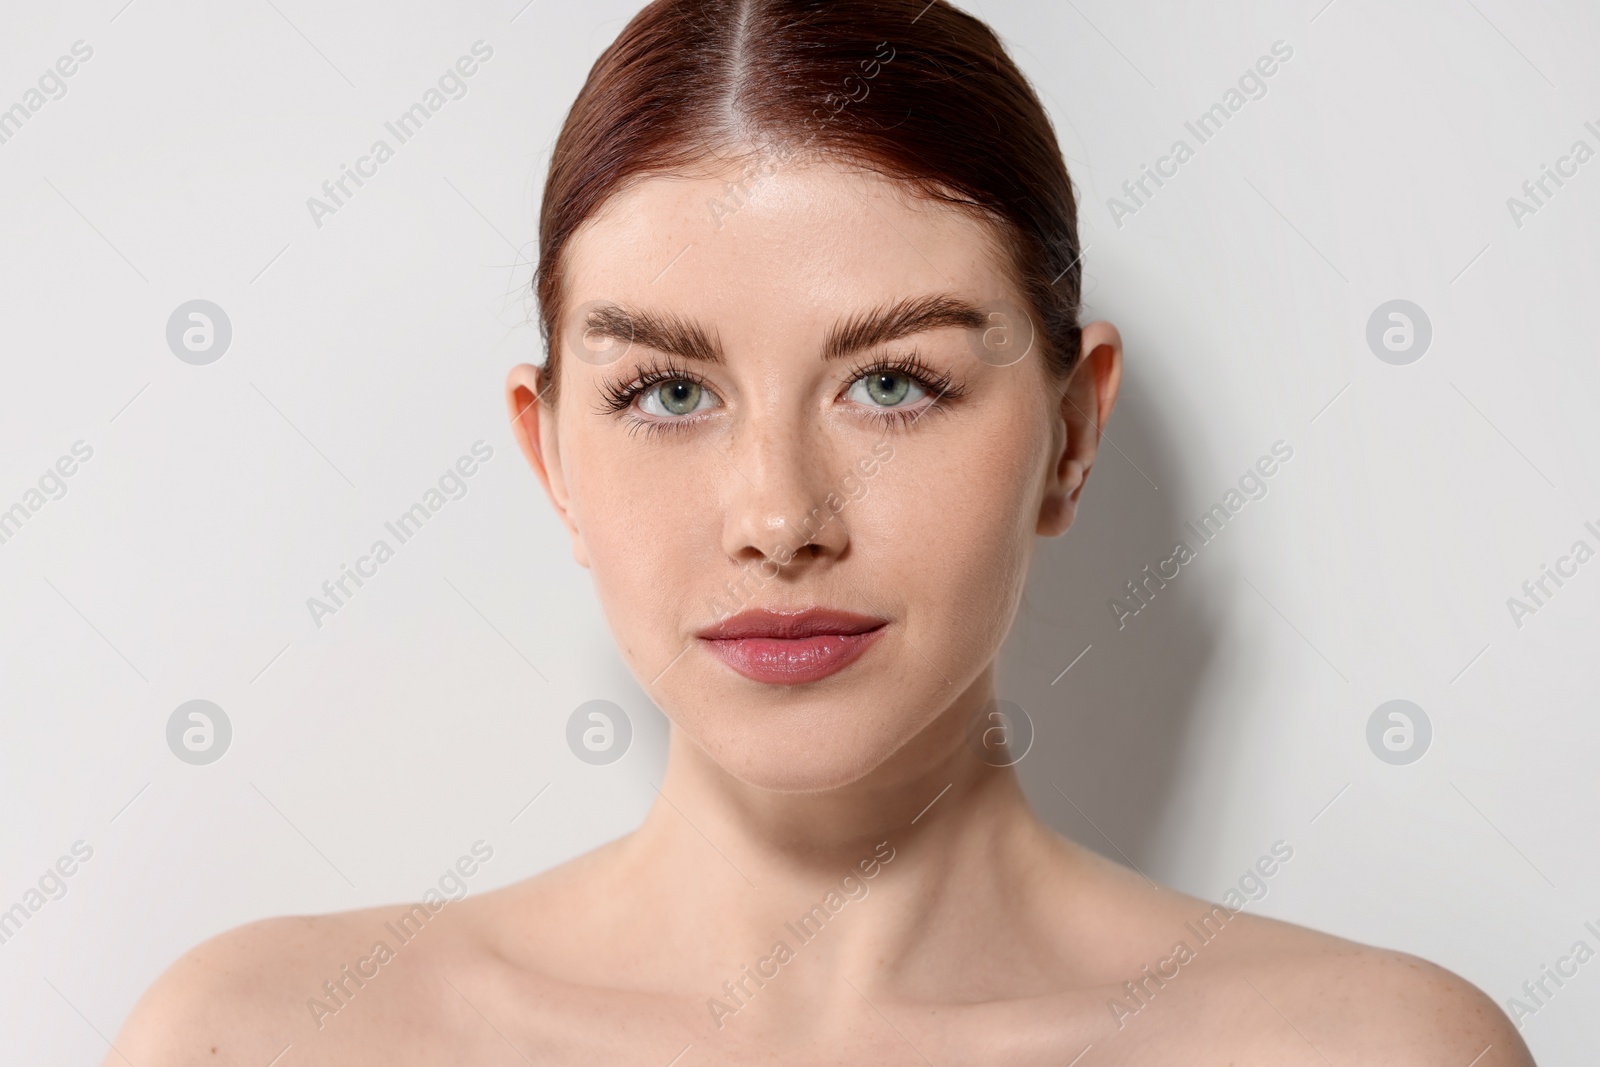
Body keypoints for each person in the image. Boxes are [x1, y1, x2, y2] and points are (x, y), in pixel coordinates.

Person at [110, 1, 1532, 1062]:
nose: (780, 517)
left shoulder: (1368, 1052)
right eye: (668, 391)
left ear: (1073, 431)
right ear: (552, 455)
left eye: (894, 383)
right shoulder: (260, 1042)